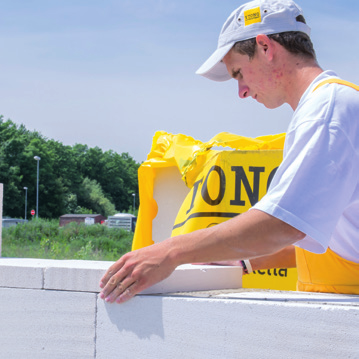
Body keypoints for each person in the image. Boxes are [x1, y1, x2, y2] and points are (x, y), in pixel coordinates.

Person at [99, 0, 359, 304]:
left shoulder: (327, 110)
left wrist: (169, 252)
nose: (242, 91)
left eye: (238, 73)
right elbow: (328, 237)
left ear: (264, 47)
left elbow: (282, 224)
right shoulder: (333, 106)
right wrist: (244, 262)